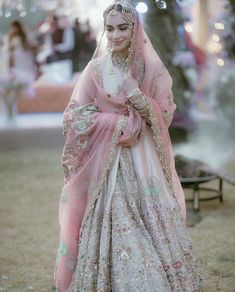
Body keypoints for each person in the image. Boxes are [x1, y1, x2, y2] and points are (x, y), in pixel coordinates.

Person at [54, 1, 204, 291]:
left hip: (144, 159)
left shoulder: (151, 68)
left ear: (135, 29)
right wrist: (116, 122)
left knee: (149, 218)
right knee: (116, 217)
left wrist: (137, 96)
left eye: (123, 28)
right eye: (109, 29)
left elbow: (165, 112)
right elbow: (75, 115)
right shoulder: (96, 69)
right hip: (107, 162)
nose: (115, 35)